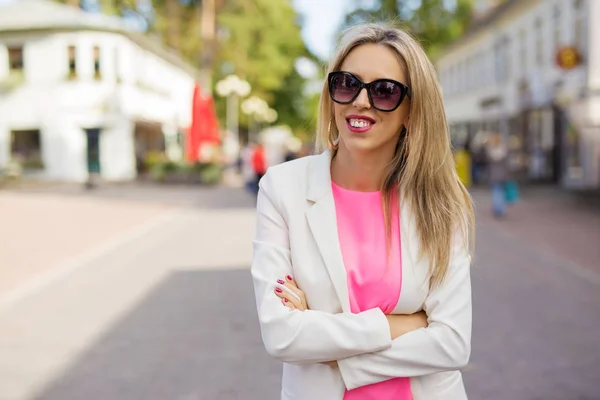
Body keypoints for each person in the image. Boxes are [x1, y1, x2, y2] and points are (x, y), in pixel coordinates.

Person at [251, 22, 475, 400]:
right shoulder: (282, 188)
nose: (360, 101)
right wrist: (406, 325)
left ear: (411, 111)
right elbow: (283, 335)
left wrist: (335, 355)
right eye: (347, 84)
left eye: (384, 91)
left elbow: (453, 343)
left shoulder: (439, 200)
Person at [485, 132, 509, 217]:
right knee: (501, 191)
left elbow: (488, 159)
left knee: (495, 191)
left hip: (494, 174)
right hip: (502, 174)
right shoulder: (504, 149)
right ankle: (500, 209)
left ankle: (497, 208)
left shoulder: (490, 150)